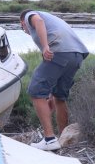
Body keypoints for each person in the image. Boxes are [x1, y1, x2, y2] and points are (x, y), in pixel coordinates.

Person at [19, 8, 90, 151]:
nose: (24, 30)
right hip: (77, 55)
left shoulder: (29, 15)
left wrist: (45, 46)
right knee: (59, 97)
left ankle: (49, 139)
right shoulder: (52, 18)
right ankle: (63, 137)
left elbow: (37, 21)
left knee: (36, 90)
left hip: (59, 52)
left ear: (23, 22)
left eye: (22, 27)